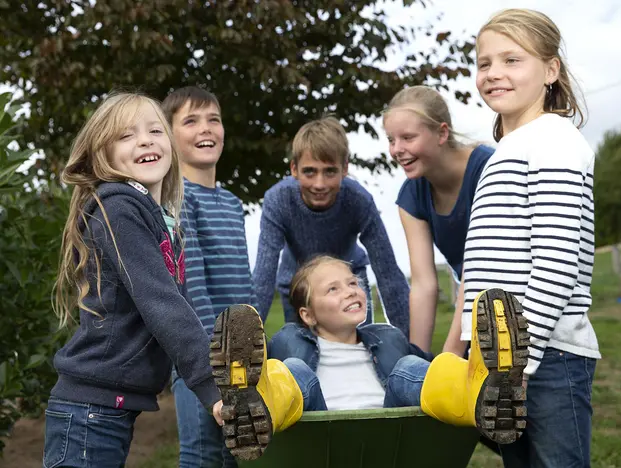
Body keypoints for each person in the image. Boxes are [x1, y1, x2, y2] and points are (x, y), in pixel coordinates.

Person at [43, 93, 220, 468]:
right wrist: (213, 385)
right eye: (126, 136)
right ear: (102, 155)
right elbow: (162, 304)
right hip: (89, 412)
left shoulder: (163, 222)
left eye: (155, 130)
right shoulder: (118, 208)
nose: (145, 140)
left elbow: (179, 308)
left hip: (104, 410)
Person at [211, 256, 530, 461]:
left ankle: (483, 390)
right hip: (319, 443)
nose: (350, 291)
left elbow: (428, 379)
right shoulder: (287, 341)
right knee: (292, 371)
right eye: (333, 289)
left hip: (393, 440)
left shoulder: (388, 337)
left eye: (353, 283)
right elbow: (268, 375)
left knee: (410, 368)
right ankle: (254, 408)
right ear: (307, 314)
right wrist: (226, 402)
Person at [464, 8, 601, 467]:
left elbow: (557, 261)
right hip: (504, 362)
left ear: (550, 69)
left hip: (544, 357)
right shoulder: (507, 150)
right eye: (484, 63)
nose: (494, 74)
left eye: (511, 60)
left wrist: (518, 361)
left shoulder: (555, 140)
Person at [252, 116, 410, 336]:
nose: (319, 184)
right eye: (310, 171)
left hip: (350, 282)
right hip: (298, 286)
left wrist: (407, 342)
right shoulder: (278, 200)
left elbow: (389, 274)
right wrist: (247, 338)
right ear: (294, 169)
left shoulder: (358, 200)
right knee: (304, 358)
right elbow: (263, 278)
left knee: (360, 353)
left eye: (329, 171)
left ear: (344, 168)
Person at [162, 86, 252, 468]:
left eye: (213, 119)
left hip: (243, 354)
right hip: (200, 357)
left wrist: (251, 346)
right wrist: (209, 361)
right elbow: (191, 286)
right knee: (203, 455)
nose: (206, 128)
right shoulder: (177, 199)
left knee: (238, 454)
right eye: (191, 121)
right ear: (169, 135)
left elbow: (242, 284)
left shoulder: (232, 203)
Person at [383, 85, 494, 354]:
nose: (397, 149)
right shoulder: (411, 196)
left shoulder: (488, 171)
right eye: (391, 139)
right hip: (474, 311)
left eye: (408, 138)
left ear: (442, 133)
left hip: (513, 307)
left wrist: (450, 356)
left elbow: (477, 272)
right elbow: (423, 285)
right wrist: (417, 362)